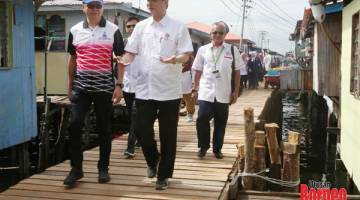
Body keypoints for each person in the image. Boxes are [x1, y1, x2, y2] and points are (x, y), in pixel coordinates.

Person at [117, 0, 193, 190]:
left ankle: (163, 175)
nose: (150, 3)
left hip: (168, 91)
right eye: (148, 1)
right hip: (144, 89)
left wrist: (175, 59)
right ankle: (153, 160)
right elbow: (131, 53)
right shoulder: (141, 27)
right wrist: (122, 60)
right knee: (142, 130)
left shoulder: (178, 27)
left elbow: (186, 54)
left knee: (168, 135)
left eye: (154, 0)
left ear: (165, 3)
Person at [64, 0, 124, 186]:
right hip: (81, 87)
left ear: (102, 8)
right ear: (84, 8)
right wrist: (69, 84)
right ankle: (76, 169)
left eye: (98, 6)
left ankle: (103, 168)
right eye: (91, 6)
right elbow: (73, 59)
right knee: (74, 125)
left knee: (105, 128)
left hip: (104, 87)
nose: (95, 9)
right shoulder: (74, 30)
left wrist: (119, 85)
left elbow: (121, 60)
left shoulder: (113, 30)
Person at [192, 21, 241, 159]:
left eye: (220, 32)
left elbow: (237, 72)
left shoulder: (232, 50)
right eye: (214, 32)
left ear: (225, 34)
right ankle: (203, 146)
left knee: (220, 122)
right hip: (206, 91)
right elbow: (197, 70)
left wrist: (235, 91)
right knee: (202, 118)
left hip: (224, 92)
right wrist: (195, 88)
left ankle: (217, 148)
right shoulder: (203, 50)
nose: (217, 35)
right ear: (210, 34)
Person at [122, 17, 140, 159]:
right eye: (129, 26)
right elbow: (118, 65)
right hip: (127, 86)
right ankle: (140, 138)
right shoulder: (122, 44)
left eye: (135, 26)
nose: (132, 28)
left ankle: (130, 147)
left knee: (135, 116)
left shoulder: (146, 43)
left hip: (142, 86)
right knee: (132, 116)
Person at [181, 53, 196, 122]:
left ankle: (190, 114)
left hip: (188, 87)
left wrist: (193, 85)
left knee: (190, 102)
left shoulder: (191, 64)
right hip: (176, 86)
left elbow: (194, 74)